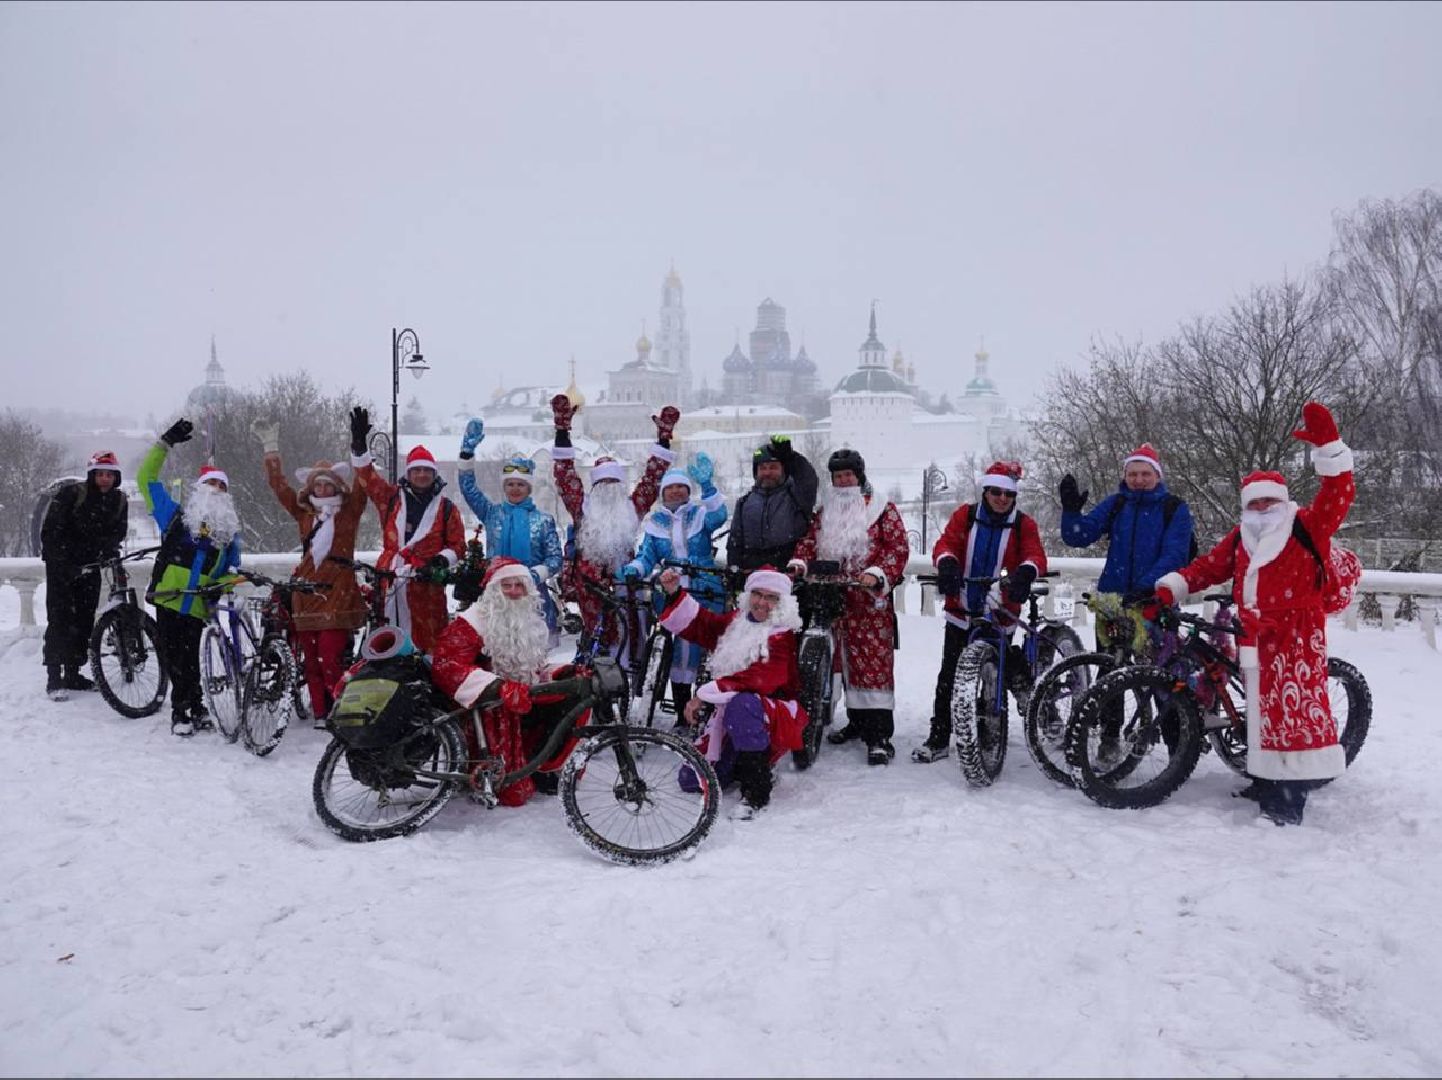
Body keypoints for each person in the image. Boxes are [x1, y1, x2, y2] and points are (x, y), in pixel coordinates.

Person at [1154, 402, 1355, 827]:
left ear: (1282, 502)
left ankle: (1290, 794)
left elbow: (1338, 495)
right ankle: (1266, 777)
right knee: (1262, 709)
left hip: (1297, 632)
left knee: (1293, 709)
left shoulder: (1306, 524)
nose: (1263, 508)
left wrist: (1330, 448)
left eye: (1270, 501)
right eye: (1255, 502)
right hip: (1254, 634)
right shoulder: (1242, 535)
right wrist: (1175, 586)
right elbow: (1210, 566)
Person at [912, 461, 1049, 763]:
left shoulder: (1023, 524)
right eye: (996, 492)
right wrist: (947, 563)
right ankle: (939, 736)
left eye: (1008, 494)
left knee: (997, 672)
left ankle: (993, 727)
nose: (1002, 499)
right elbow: (946, 543)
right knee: (949, 675)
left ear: (1014, 496)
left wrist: (1025, 573)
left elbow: (1034, 553)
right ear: (986, 491)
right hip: (962, 609)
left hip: (1001, 609)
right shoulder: (967, 515)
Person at [788, 448, 911, 765]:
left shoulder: (884, 510)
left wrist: (876, 573)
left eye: (848, 476)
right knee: (839, 663)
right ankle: (856, 723)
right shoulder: (824, 511)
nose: (843, 482)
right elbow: (808, 542)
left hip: (867, 600)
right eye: (838, 477)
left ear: (859, 476)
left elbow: (897, 548)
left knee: (872, 667)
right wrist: (800, 563)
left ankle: (879, 736)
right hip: (830, 595)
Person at [656, 565, 807, 819]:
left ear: (781, 603)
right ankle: (738, 760)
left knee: (743, 703)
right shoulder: (737, 621)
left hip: (772, 716)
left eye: (771, 598)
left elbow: (762, 678)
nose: (762, 603)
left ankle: (757, 787)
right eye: (758, 594)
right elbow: (705, 626)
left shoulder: (782, 634)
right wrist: (674, 593)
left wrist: (705, 694)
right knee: (690, 780)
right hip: (728, 713)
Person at [256, 421, 368, 724]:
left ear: (336, 486)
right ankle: (320, 711)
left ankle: (336, 707)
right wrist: (271, 449)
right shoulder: (304, 512)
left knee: (331, 657)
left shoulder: (349, 511)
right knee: (311, 661)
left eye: (327, 484)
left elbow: (365, 484)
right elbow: (279, 488)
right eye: (318, 485)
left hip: (338, 590)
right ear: (312, 487)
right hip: (306, 592)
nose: (322, 489)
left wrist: (361, 448)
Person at [430, 557, 565, 807]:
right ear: (494, 590)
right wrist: (497, 686)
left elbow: (530, 664)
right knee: (504, 708)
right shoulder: (472, 621)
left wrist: (554, 673)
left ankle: (541, 768)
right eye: (507, 585)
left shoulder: (528, 619)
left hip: (520, 694)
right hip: (483, 704)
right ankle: (500, 778)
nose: (514, 592)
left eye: (519, 585)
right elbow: (447, 665)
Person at [137, 419, 243, 736]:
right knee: (176, 660)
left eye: (222, 487)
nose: (216, 491)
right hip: (169, 600)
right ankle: (182, 713)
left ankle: (194, 708)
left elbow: (232, 573)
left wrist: (223, 584)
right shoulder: (175, 518)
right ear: (200, 490)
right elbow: (146, 479)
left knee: (193, 662)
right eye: (211, 485)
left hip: (199, 606)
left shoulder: (229, 536)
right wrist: (164, 444)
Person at [550, 393, 677, 649]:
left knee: (629, 639)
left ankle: (631, 683)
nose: (608, 487)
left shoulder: (632, 508)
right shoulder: (583, 509)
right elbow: (565, 475)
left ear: (621, 485)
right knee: (599, 645)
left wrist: (663, 440)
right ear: (595, 486)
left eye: (613, 482)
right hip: (590, 588)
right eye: (603, 483)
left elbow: (652, 480)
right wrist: (562, 431)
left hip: (625, 586)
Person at [619, 453, 729, 721]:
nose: (676, 490)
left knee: (707, 646)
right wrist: (635, 570)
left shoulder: (699, 514)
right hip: (671, 591)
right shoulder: (655, 523)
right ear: (662, 493)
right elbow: (647, 555)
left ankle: (708, 703)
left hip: (704, 587)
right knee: (681, 649)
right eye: (670, 487)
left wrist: (708, 486)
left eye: (681, 486)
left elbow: (720, 516)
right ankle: (682, 710)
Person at [349, 406, 465, 654]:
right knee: (387, 636)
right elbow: (367, 478)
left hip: (426, 585)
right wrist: (359, 447)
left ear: (434, 474)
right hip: (390, 581)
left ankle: (428, 683)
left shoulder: (446, 508)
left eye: (426, 470)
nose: (421, 475)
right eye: (416, 470)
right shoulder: (391, 498)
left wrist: (439, 562)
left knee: (429, 642)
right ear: (409, 472)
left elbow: (458, 545)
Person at [455, 418, 564, 645]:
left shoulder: (543, 521)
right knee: (497, 651)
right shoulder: (492, 513)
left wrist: (534, 575)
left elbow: (555, 559)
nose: (515, 489)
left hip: (533, 599)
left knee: (532, 656)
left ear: (529, 487)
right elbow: (468, 489)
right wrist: (466, 454)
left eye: (521, 484)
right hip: (497, 597)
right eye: (510, 484)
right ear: (504, 487)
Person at [40, 451, 130, 701]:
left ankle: (73, 673)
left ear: (116, 476)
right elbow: (51, 530)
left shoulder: (120, 500)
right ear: (92, 475)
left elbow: (118, 531)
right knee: (59, 618)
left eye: (109, 475)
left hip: (91, 567)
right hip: (62, 568)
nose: (104, 479)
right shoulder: (71, 494)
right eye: (100, 474)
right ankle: (54, 677)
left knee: (83, 620)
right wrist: (62, 562)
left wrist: (107, 549)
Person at [1057, 443, 1194, 602]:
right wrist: (1071, 512)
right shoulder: (1116, 503)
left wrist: (1144, 588)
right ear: (1125, 476)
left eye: (1146, 474)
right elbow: (1078, 537)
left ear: (1157, 476)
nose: (1139, 480)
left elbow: (1174, 556)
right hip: (1113, 600)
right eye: (1132, 474)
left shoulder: (1174, 508)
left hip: (1154, 601)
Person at [726, 434, 819, 573]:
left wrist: (791, 456)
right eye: (762, 468)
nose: (767, 473)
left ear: (784, 470)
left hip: (788, 570)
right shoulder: (744, 502)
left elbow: (808, 478)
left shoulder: (797, 496)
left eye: (773, 467)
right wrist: (734, 569)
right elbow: (735, 542)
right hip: (752, 572)